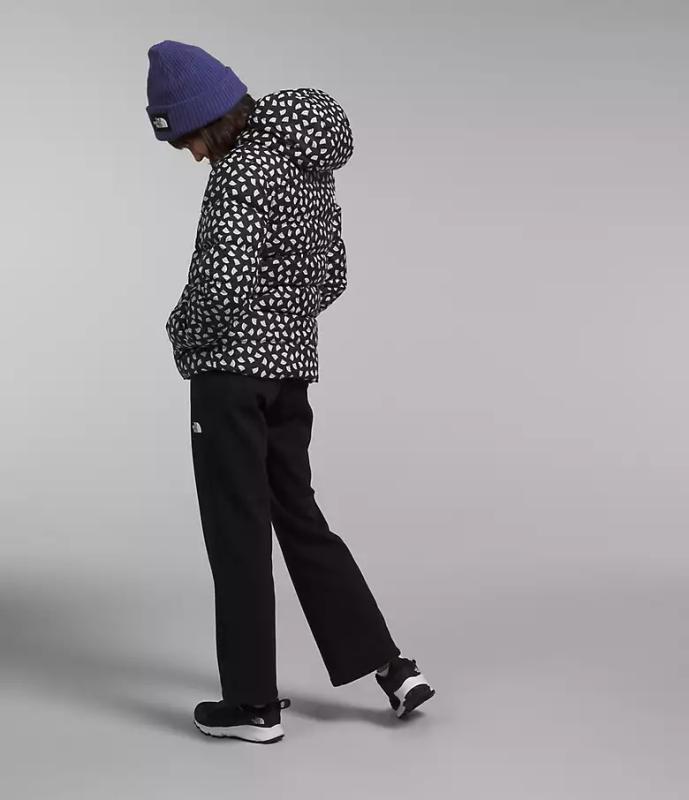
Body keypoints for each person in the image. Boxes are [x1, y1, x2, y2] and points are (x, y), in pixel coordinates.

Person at [145, 40, 434, 744]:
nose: (193, 156)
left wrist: (179, 333)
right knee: (299, 517)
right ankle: (392, 668)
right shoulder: (307, 164)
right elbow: (331, 275)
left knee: (237, 536)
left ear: (210, 117)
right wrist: (285, 321)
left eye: (189, 139)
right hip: (289, 374)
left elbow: (221, 287)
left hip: (229, 379)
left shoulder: (240, 171)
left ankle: (252, 706)